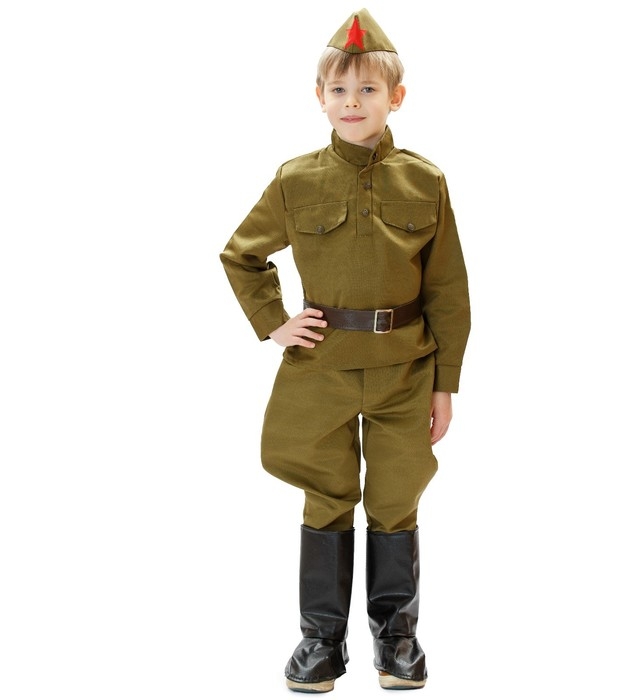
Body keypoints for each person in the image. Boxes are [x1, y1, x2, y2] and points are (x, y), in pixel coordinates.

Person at [220, 8, 471, 693]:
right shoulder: (297, 180)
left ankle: (398, 638)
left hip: (404, 371)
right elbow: (242, 255)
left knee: (396, 499)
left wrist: (444, 383)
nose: (352, 102)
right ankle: (320, 641)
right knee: (326, 496)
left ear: (397, 97)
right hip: (321, 371)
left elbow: (448, 289)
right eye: (338, 89)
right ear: (319, 96)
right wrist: (274, 323)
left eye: (367, 89)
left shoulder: (425, 181)